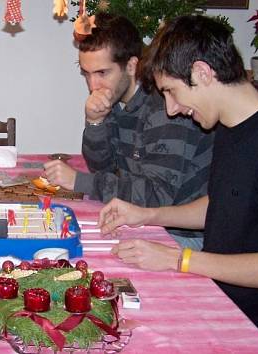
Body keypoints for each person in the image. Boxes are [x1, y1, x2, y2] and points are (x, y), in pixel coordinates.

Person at [99, 15, 258, 352]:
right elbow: (221, 205)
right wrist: (145, 215)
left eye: (172, 92)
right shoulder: (229, 129)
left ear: (203, 73)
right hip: (214, 293)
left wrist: (178, 259)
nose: (172, 110)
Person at [44, 13, 214, 250]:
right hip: (145, 222)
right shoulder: (117, 100)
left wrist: (79, 181)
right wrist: (94, 122)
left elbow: (155, 197)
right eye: (86, 73)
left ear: (132, 66)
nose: (93, 86)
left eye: (102, 73)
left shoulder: (167, 107)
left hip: (184, 237)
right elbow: (102, 168)